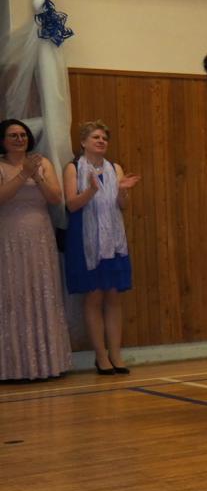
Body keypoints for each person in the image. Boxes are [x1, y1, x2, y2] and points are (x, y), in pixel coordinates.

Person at [62, 121, 139, 374]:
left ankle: (116, 354)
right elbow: (72, 205)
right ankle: (101, 356)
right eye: (96, 137)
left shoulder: (115, 168)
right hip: (86, 239)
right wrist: (91, 190)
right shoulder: (73, 168)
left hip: (113, 240)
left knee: (113, 295)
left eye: (104, 138)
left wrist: (123, 191)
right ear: (83, 142)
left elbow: (122, 205)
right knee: (94, 295)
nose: (101, 141)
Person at [0, 118, 72, 381]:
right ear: (3, 140)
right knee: (13, 294)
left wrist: (36, 175)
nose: (20, 139)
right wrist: (23, 174)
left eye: (23, 135)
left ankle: (46, 364)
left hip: (40, 237)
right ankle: (13, 367)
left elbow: (55, 197)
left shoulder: (42, 163)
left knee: (41, 292)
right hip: (9, 237)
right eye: (13, 135)